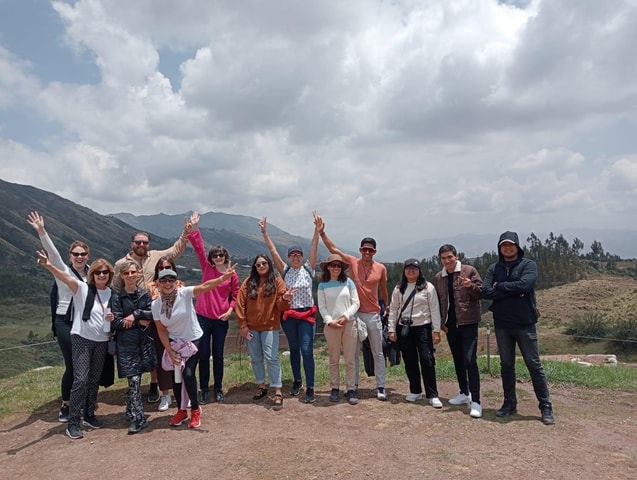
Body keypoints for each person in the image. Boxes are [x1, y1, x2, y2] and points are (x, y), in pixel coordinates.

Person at [36, 252, 114, 439]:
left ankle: (88, 414)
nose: (101, 275)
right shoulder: (81, 288)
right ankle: (73, 420)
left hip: (101, 340)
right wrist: (48, 265)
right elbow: (64, 276)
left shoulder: (112, 293)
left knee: (94, 378)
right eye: (98, 272)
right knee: (81, 379)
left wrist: (113, 318)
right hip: (82, 339)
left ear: (109, 275)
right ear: (92, 274)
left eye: (105, 273)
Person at [113, 221, 190, 406]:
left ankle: (156, 385)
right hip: (131, 312)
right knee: (134, 351)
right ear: (132, 243)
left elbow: (175, 250)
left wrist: (186, 232)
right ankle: (135, 388)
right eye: (138, 242)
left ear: (149, 243)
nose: (141, 245)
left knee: (155, 351)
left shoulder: (156, 256)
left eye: (144, 242)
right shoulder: (121, 264)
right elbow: (116, 288)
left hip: (154, 313)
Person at [482, 231, 555, 425]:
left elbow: (526, 284)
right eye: (503, 245)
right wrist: (512, 291)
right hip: (502, 324)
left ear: (517, 246)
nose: (507, 247)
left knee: (533, 364)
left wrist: (501, 287)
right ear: (499, 247)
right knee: (506, 365)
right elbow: (486, 291)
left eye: (510, 244)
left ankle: (545, 406)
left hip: (525, 324)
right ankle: (509, 403)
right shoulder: (493, 268)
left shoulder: (528, 265)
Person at [152, 265, 236, 429]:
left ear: (176, 282)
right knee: (175, 376)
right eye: (164, 280)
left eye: (171, 280)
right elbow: (161, 329)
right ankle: (181, 410)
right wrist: (169, 351)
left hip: (194, 339)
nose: (168, 283)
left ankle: (195, 409)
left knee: (188, 373)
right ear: (157, 283)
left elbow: (204, 287)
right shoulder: (155, 305)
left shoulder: (184, 293)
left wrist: (222, 278)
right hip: (174, 342)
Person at [27, 211, 90, 423]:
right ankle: (66, 405)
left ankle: (83, 401)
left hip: (85, 323)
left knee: (86, 365)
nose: (79, 257)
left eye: (83, 254)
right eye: (76, 254)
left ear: (87, 256)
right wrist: (42, 231)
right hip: (64, 321)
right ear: (70, 256)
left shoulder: (93, 273)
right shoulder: (63, 270)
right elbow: (52, 254)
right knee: (72, 365)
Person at [319, 226, 389, 400]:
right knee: (353, 354)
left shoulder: (381, 268)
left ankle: (380, 386)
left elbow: (383, 289)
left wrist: (386, 305)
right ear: (360, 250)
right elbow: (333, 250)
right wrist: (322, 233)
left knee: (378, 352)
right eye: (364, 249)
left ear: (374, 251)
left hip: (373, 313)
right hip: (355, 316)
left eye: (370, 250)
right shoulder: (352, 262)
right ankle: (353, 386)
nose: (367, 252)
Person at [259, 214, 320, 403]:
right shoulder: (284, 270)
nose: (295, 257)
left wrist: (317, 230)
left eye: (298, 255)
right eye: (292, 255)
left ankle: (310, 386)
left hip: (307, 314)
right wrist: (264, 233)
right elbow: (272, 250)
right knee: (294, 349)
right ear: (289, 257)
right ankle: (297, 381)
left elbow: (314, 247)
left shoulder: (309, 269)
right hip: (289, 316)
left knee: (307, 350)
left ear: (302, 257)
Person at [187, 212, 239, 404]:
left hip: (221, 319)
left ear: (225, 257)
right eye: (215, 255)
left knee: (218, 355)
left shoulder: (232, 274)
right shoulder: (207, 269)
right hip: (202, 317)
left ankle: (217, 389)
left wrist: (230, 310)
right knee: (202, 354)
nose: (218, 257)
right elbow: (199, 248)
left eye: (221, 254)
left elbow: (236, 294)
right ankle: (204, 389)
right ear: (212, 257)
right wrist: (194, 228)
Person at [235, 254, 293, 411]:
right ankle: (261, 386)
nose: (261, 266)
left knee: (271, 358)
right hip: (251, 328)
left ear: (269, 264)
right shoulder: (248, 282)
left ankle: (278, 390)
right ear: (255, 266)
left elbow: (282, 307)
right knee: (255, 358)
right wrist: (243, 325)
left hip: (270, 327)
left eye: (264, 263)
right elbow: (240, 304)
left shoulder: (277, 281)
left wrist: (286, 298)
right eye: (258, 264)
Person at [433, 244, 484, 418]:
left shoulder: (469, 271)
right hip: (451, 325)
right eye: (443, 258)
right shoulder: (440, 277)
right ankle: (464, 392)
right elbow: (440, 301)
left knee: (470, 360)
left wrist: (470, 286)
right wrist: (441, 321)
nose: (447, 261)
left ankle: (476, 401)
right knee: (458, 359)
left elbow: (480, 294)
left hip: (468, 322)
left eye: (450, 257)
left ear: (456, 256)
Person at [387, 259, 443, 408]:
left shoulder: (427, 287)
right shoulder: (399, 288)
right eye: (408, 268)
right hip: (404, 328)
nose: (411, 271)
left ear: (419, 271)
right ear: (404, 271)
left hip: (423, 327)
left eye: (415, 268)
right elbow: (393, 309)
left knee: (427, 360)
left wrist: (436, 330)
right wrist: (391, 329)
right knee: (410, 360)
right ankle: (415, 390)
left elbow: (435, 309)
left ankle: (432, 394)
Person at [110, 259, 154, 434]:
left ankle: (130, 408)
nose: (130, 276)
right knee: (134, 380)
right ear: (121, 275)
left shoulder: (145, 294)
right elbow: (115, 323)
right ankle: (139, 418)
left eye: (133, 272)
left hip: (143, 343)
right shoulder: (116, 297)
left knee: (137, 379)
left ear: (138, 274)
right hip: (126, 345)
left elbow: (151, 314)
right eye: (127, 273)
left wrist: (134, 315)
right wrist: (139, 320)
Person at [317, 254, 360, 404]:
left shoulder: (349, 283)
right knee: (333, 359)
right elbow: (321, 306)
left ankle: (351, 389)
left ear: (341, 268)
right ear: (328, 267)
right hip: (332, 326)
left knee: (350, 359)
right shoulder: (322, 285)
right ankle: (334, 388)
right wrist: (330, 321)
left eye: (338, 265)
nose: (335, 268)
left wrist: (346, 316)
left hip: (349, 323)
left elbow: (356, 303)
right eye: (333, 265)